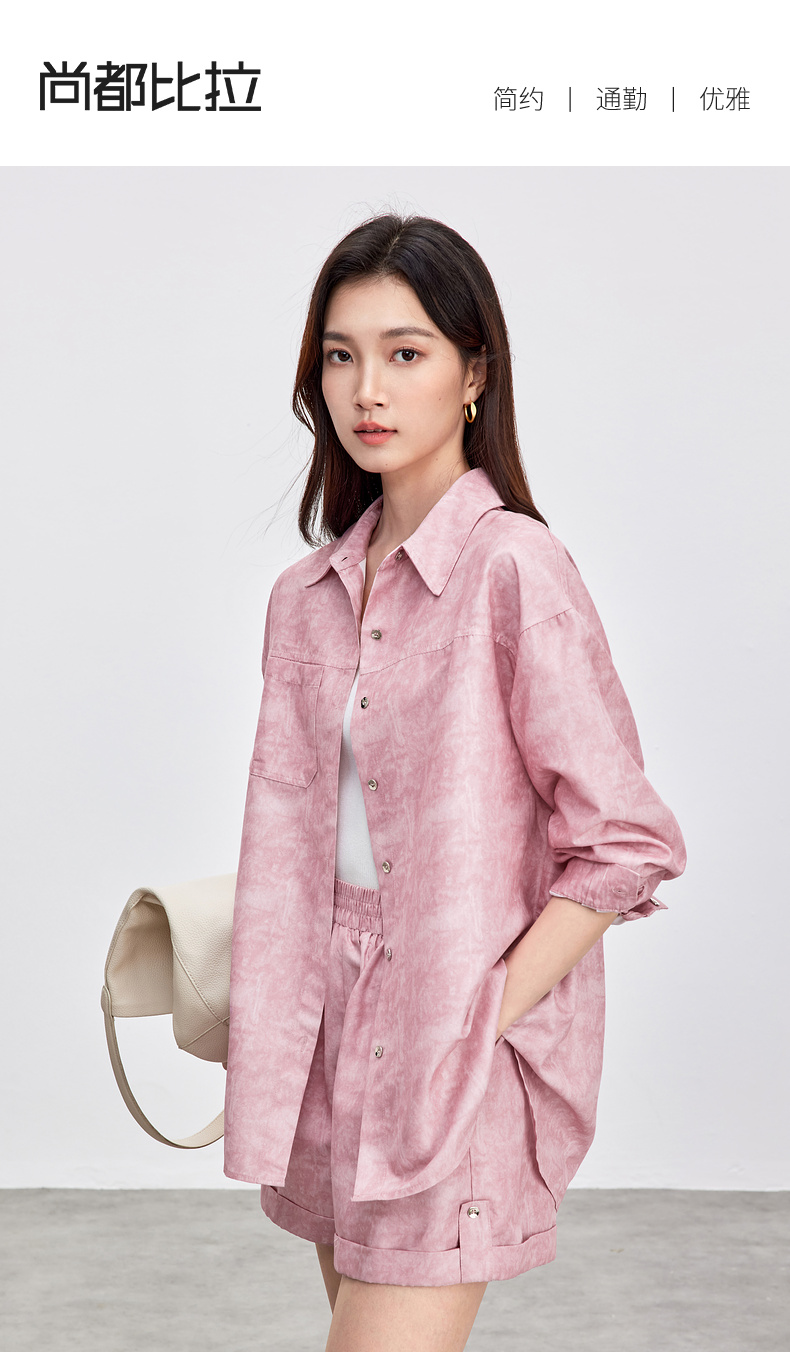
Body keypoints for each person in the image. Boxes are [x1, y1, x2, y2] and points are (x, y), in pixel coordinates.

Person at [223, 213, 687, 1352]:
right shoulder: (304, 599)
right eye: (341, 355)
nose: (367, 389)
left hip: (452, 1055)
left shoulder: (514, 570)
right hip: (324, 1048)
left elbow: (625, 840)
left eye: (406, 351)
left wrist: (482, 1014)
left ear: (474, 372)